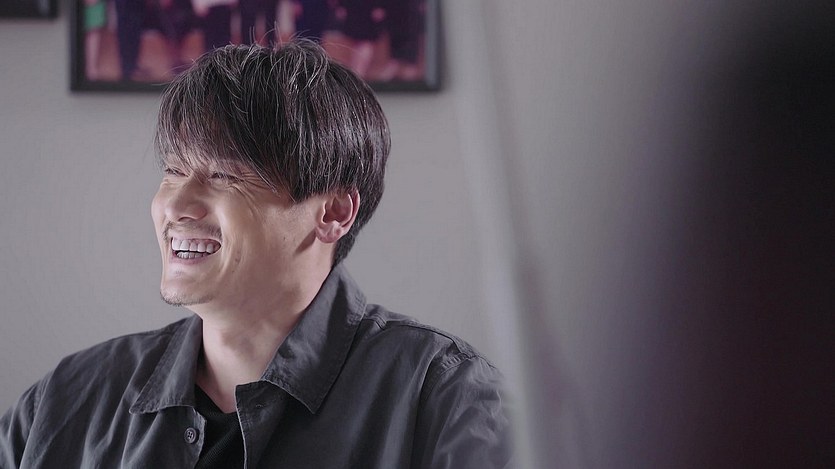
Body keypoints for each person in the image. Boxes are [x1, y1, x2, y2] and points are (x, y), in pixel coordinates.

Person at [0, 40, 513, 468]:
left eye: (224, 175)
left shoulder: (443, 397)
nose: (175, 205)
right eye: (174, 170)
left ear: (333, 211)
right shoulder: (66, 399)